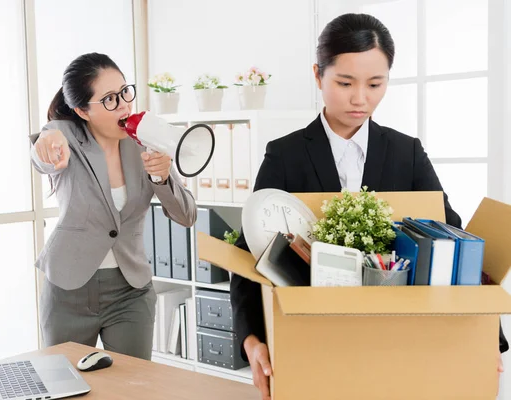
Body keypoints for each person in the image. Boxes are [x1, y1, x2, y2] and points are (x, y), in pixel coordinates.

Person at [229, 13, 508, 399]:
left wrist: (487, 335)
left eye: (375, 84)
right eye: (345, 83)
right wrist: (252, 340)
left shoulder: (406, 153)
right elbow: (248, 254)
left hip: (397, 346)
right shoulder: (285, 155)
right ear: (318, 75)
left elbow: (458, 245)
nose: (361, 98)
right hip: (310, 345)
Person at [29, 52, 196, 360]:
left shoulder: (144, 141)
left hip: (129, 292)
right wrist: (45, 148)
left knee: (133, 387)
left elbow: (186, 215)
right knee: (66, 385)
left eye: (124, 92)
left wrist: (161, 177)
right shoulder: (63, 136)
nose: (123, 105)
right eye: (108, 99)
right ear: (82, 110)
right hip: (68, 290)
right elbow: (44, 151)